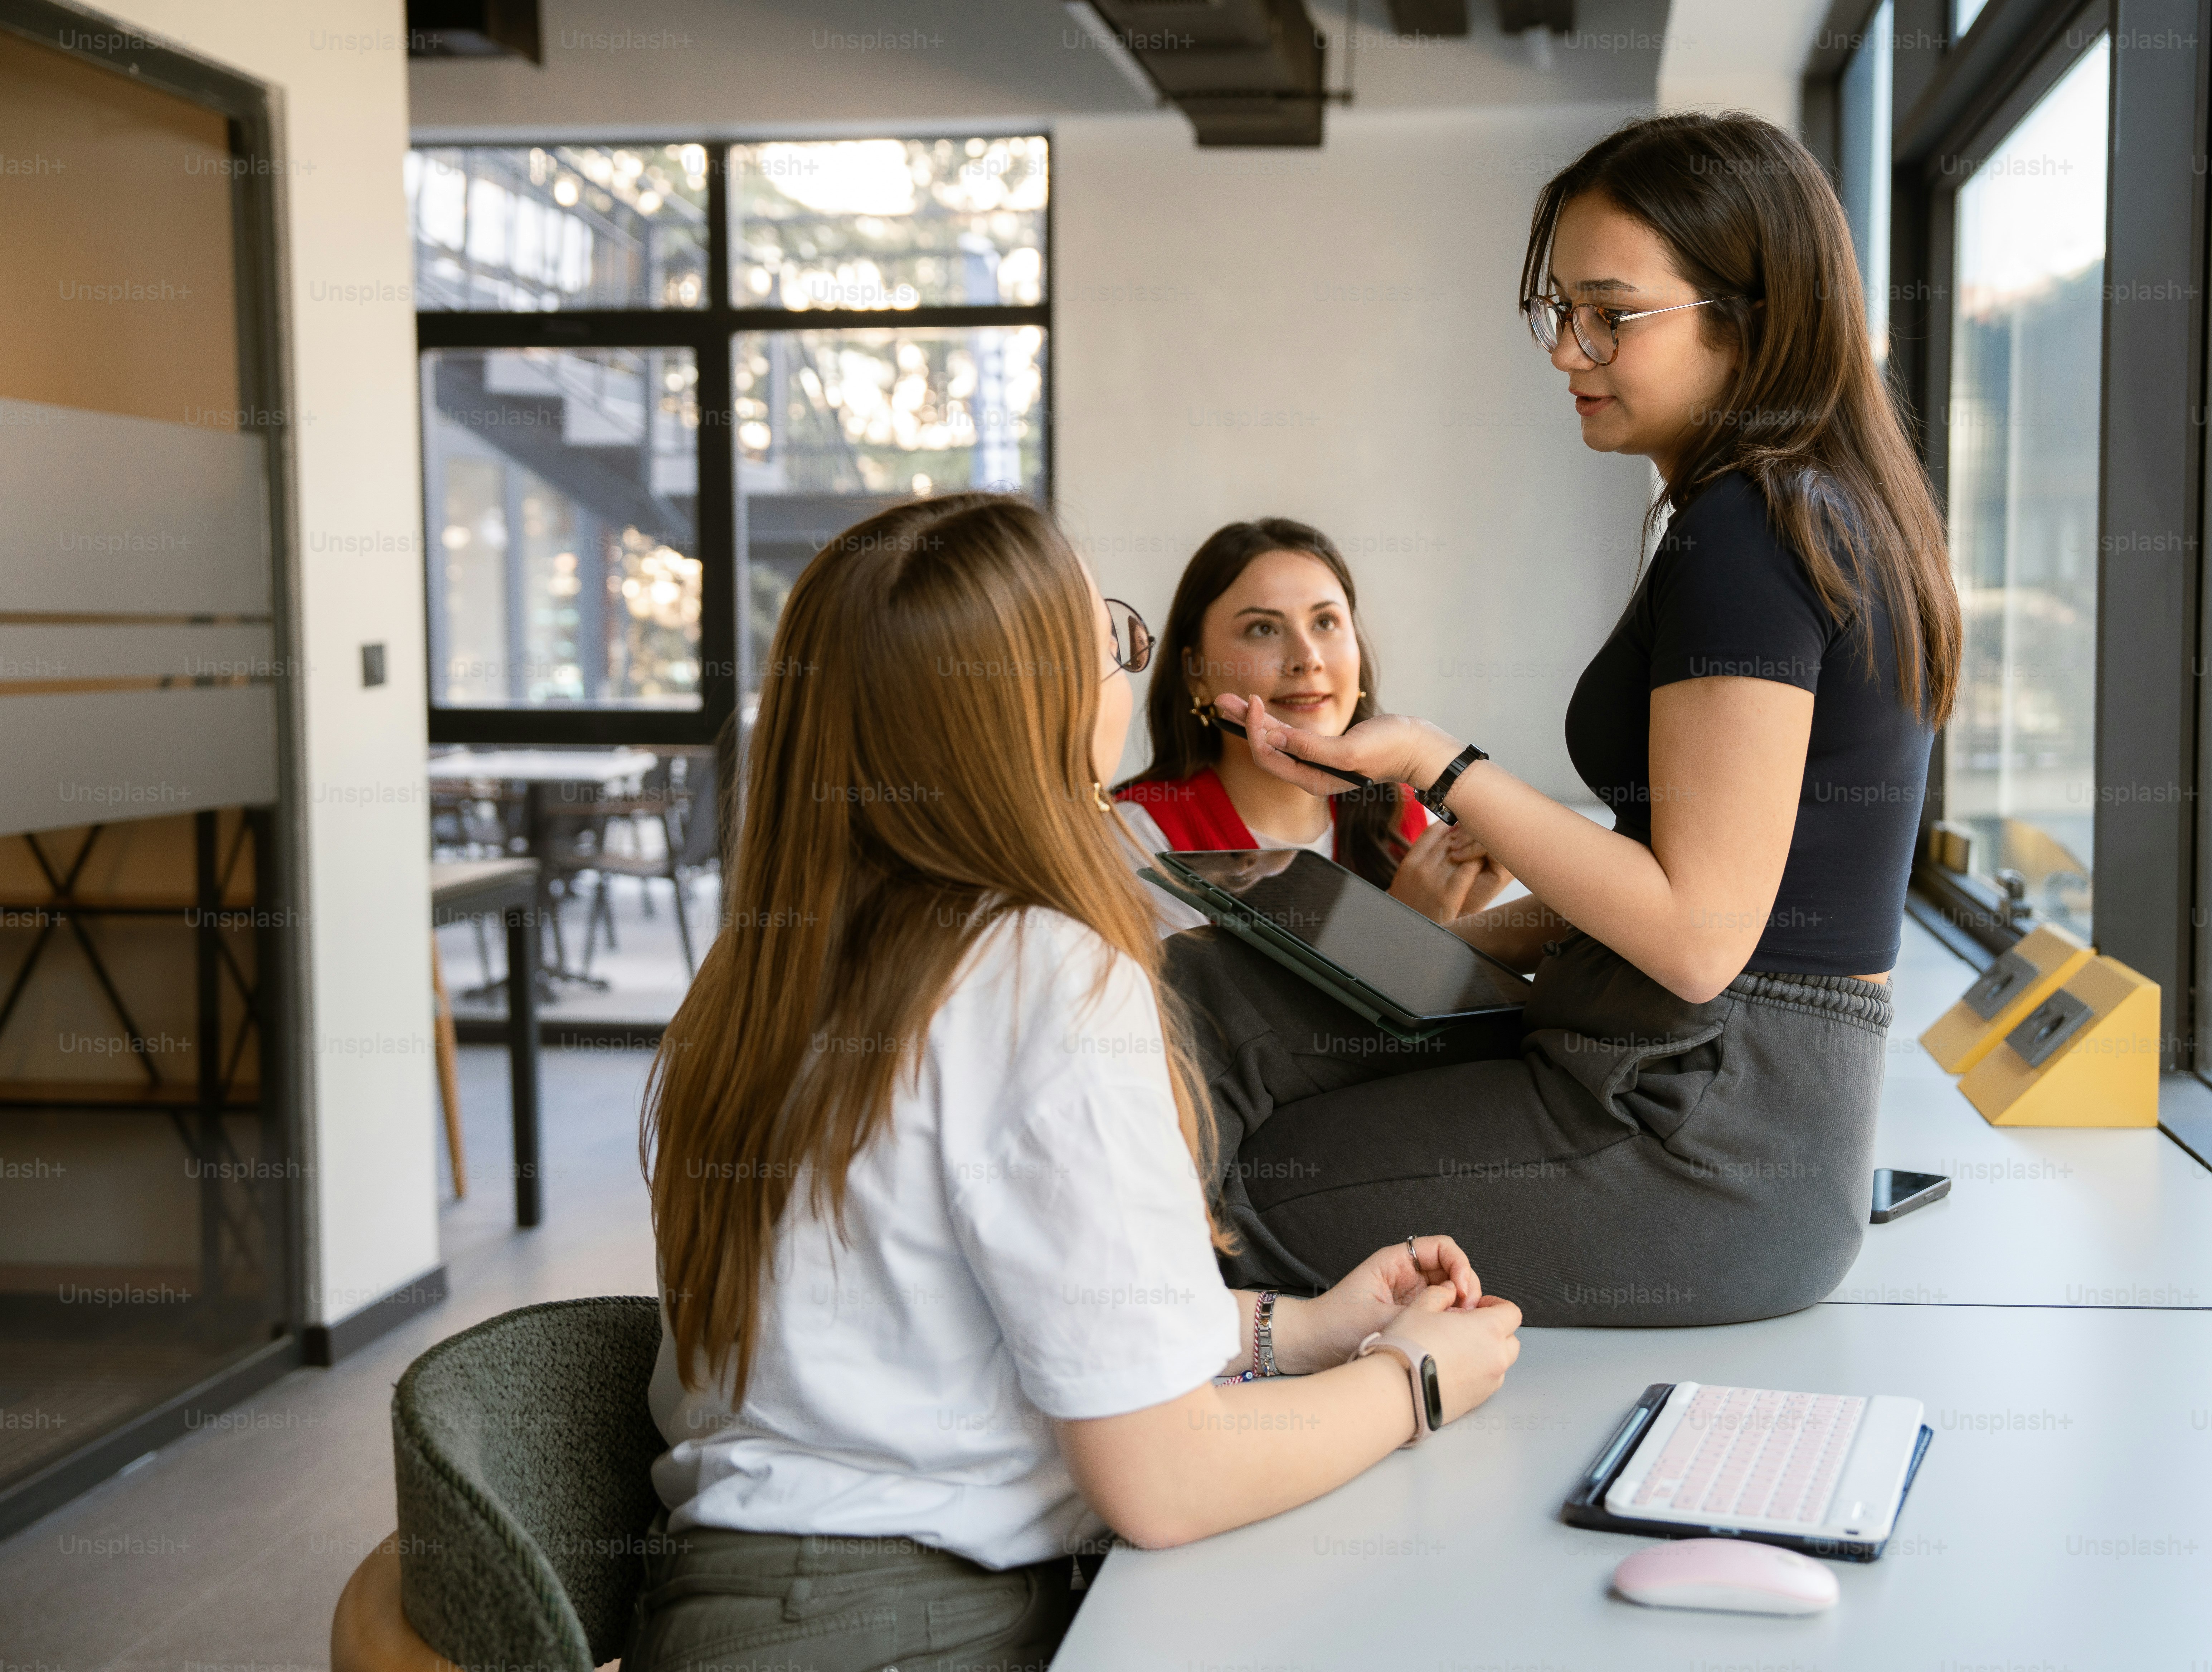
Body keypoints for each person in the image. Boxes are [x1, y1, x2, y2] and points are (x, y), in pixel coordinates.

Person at [628, 493, 1522, 1672]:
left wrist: (1297, 1331)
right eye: (1109, 638)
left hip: (753, 1598)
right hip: (901, 1623)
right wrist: (1414, 1380)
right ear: (1029, 703)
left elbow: (958, 1331)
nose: (1124, 662)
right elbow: (1164, 1478)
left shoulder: (767, 968)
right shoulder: (1036, 968)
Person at [1164, 111, 1962, 1330]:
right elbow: (1705, 886)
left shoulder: (1746, 532)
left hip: (1702, 1135)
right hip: (1698, 1087)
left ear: (1744, 313)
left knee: (1247, 1168)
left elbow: (1699, 937)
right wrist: (1444, 947)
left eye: (1610, 314)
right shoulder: (1805, 507)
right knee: (1224, 994)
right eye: (1558, 312)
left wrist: (1441, 761)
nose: (1566, 350)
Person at [1111, 517, 1512, 932]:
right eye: (1263, 629)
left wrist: (1458, 926)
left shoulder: (1402, 811)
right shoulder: (1139, 838)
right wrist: (1402, 932)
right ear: (1195, 669)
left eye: (1325, 623)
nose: (1307, 657)